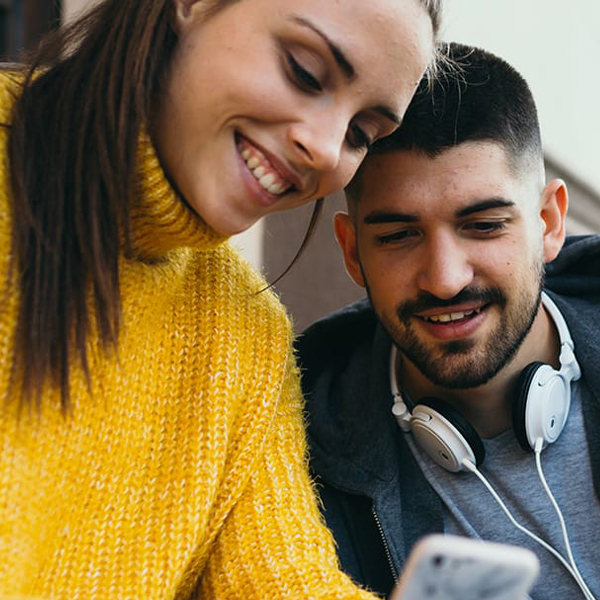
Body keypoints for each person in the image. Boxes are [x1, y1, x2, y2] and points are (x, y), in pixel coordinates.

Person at [0, 0, 443, 598]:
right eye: (306, 73)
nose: (324, 148)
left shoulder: (248, 330)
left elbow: (278, 579)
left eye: (361, 133)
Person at [298, 42, 600, 599]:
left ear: (550, 222)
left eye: (483, 225)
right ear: (352, 251)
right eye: (397, 236)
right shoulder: (293, 456)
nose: (444, 279)